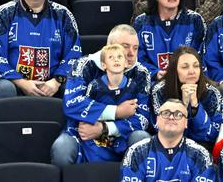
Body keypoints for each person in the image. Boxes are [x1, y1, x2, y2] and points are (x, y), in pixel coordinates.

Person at [0, 0, 81, 99]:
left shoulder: (63, 15)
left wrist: (57, 81)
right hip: (11, 81)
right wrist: (21, 82)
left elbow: (74, 54)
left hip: (52, 83)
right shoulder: (4, 13)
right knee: (4, 88)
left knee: (72, 87)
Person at [53, 36, 151, 165]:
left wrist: (105, 128)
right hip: (84, 130)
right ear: (109, 45)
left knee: (142, 138)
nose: (130, 53)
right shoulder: (84, 64)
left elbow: (142, 119)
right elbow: (72, 104)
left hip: (122, 134)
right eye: (125, 46)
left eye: (136, 48)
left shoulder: (141, 73)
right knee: (62, 147)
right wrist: (116, 111)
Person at [121, 98, 216, 181]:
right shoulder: (136, 152)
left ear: (186, 123)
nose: (171, 117)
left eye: (178, 114)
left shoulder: (200, 155)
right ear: (157, 120)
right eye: (166, 113)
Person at [132, 0, 206, 80]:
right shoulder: (141, 22)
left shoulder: (194, 20)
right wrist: (155, 73)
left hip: (187, 80)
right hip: (153, 82)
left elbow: (201, 56)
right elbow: (137, 58)